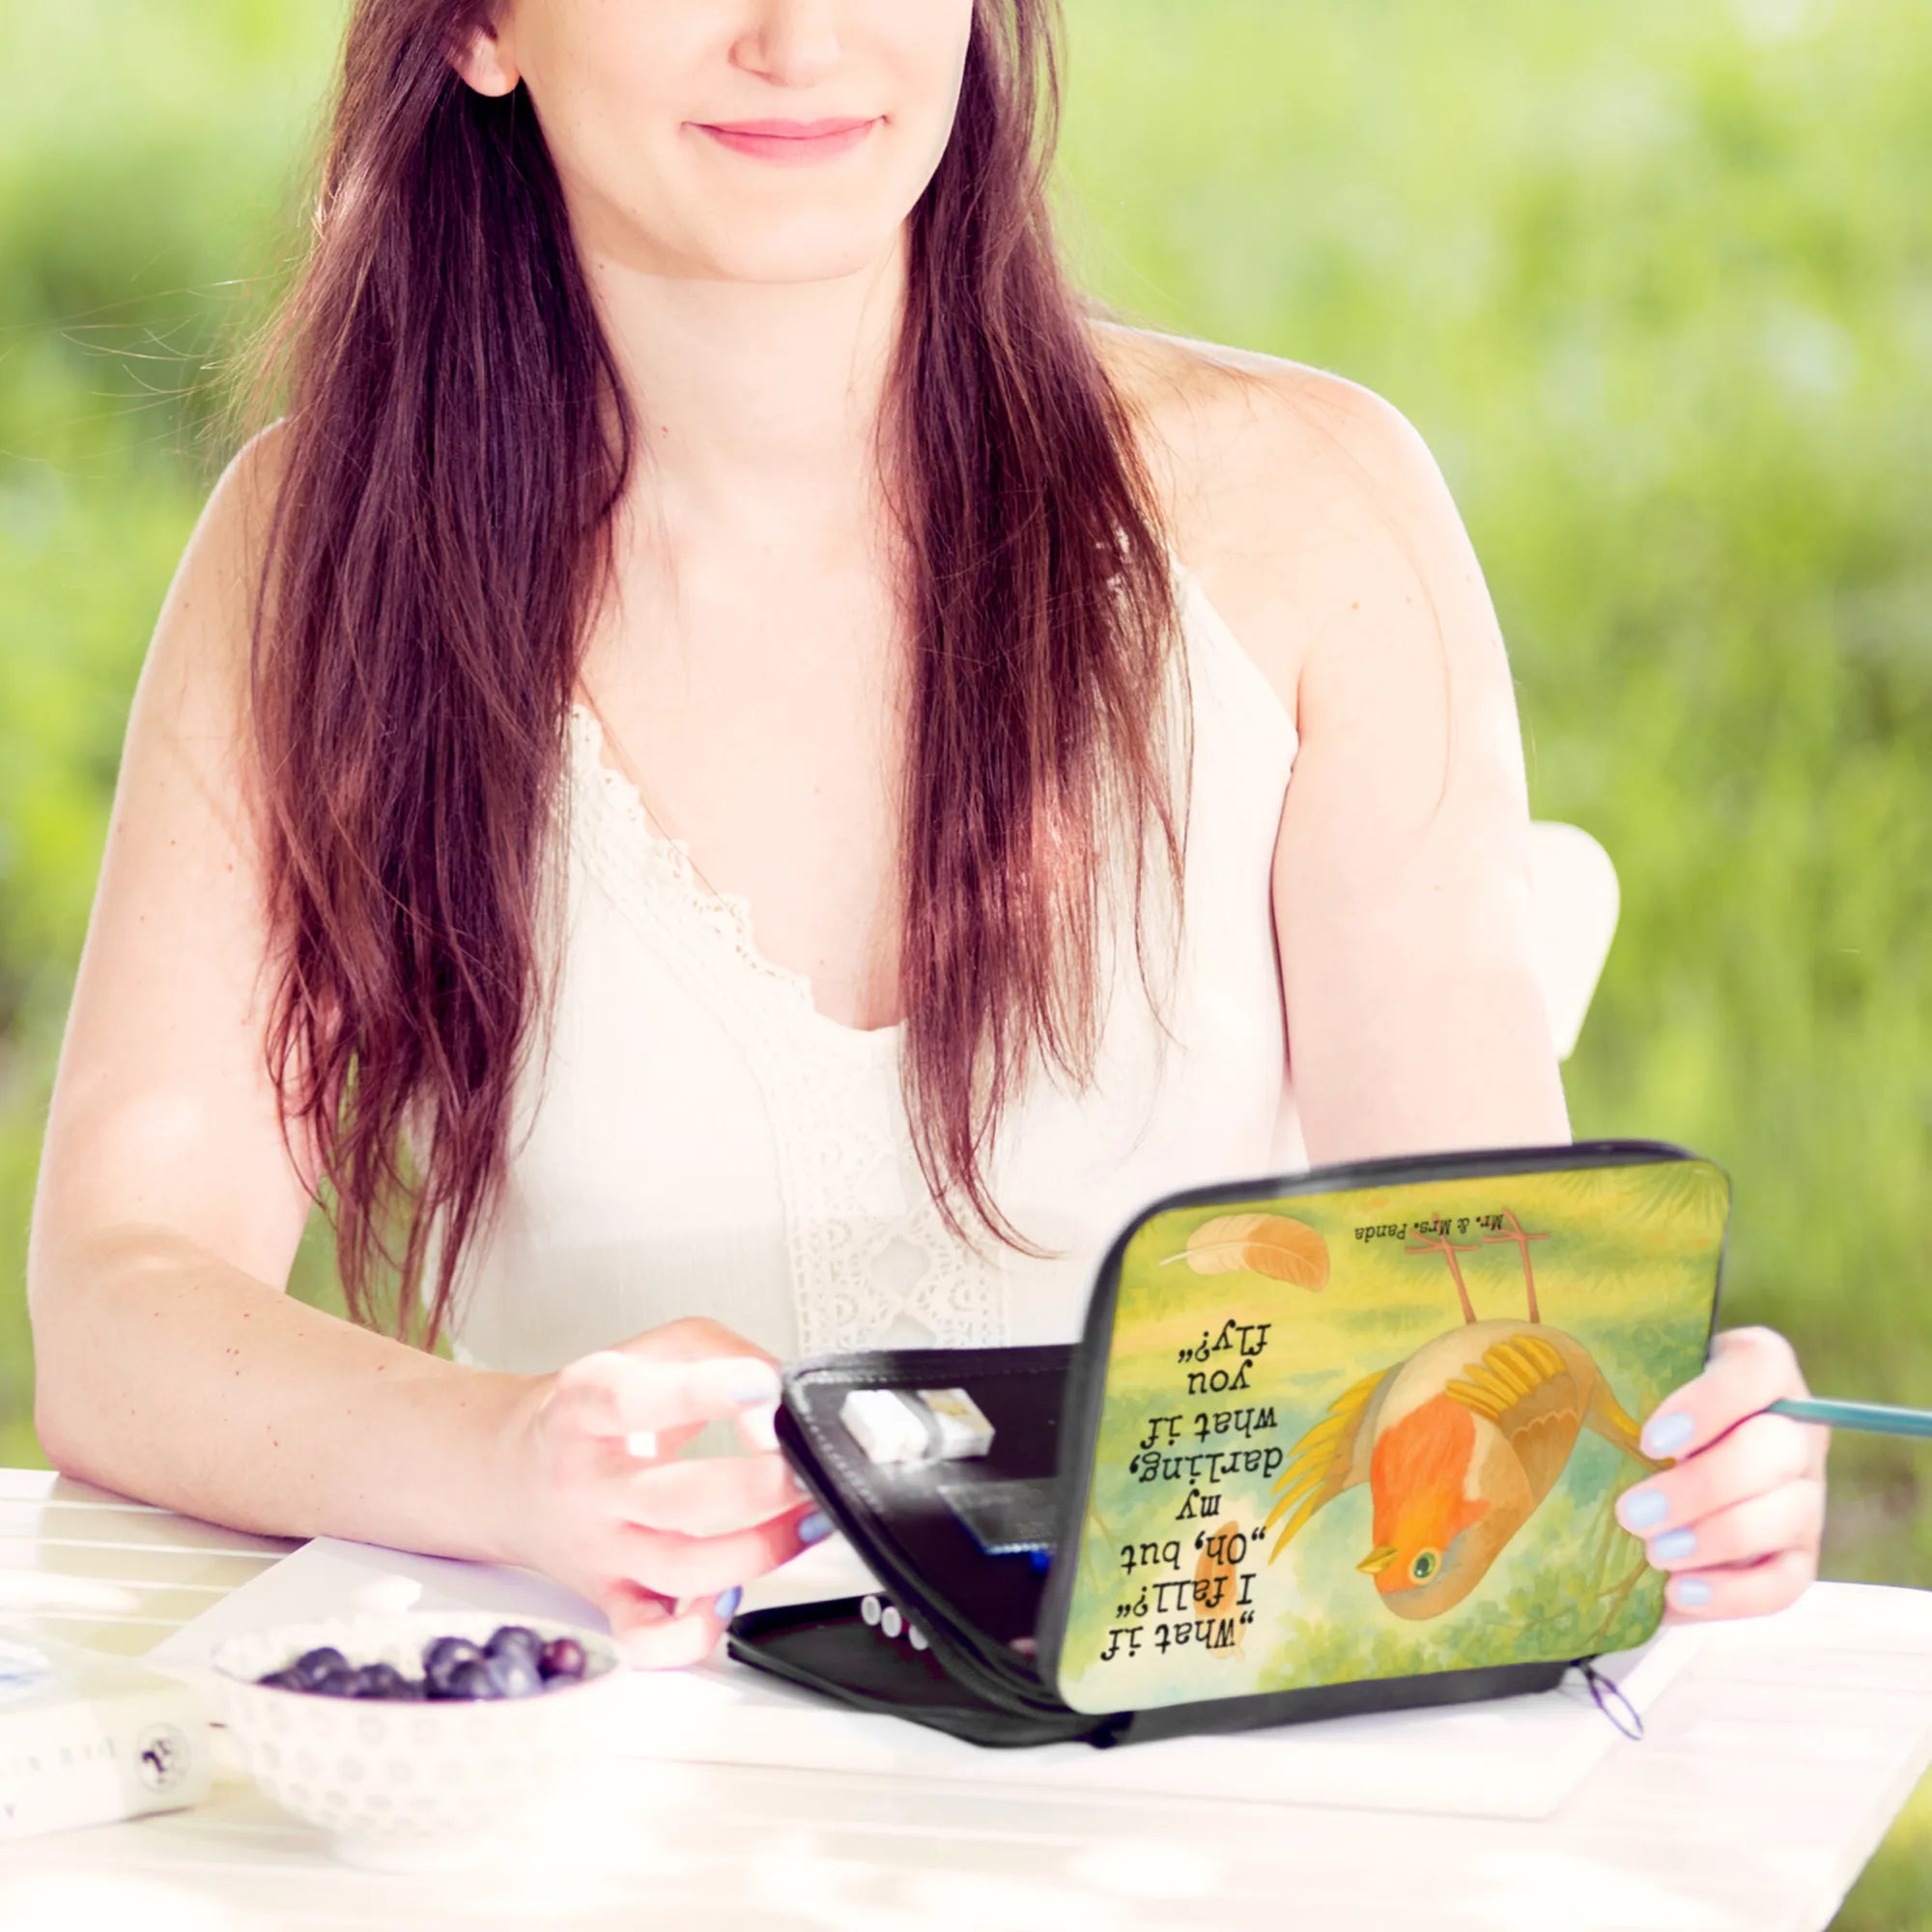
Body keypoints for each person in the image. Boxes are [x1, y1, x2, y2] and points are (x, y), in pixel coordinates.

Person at [25, 0, 1827, 1669]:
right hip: (608, 1772)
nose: (801, 38)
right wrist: (503, 1455)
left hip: (1200, 1776)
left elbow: (1492, 1310)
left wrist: (1664, 1462)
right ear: (480, 26)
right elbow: (118, 1313)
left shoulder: (1307, 518)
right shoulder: (329, 554)